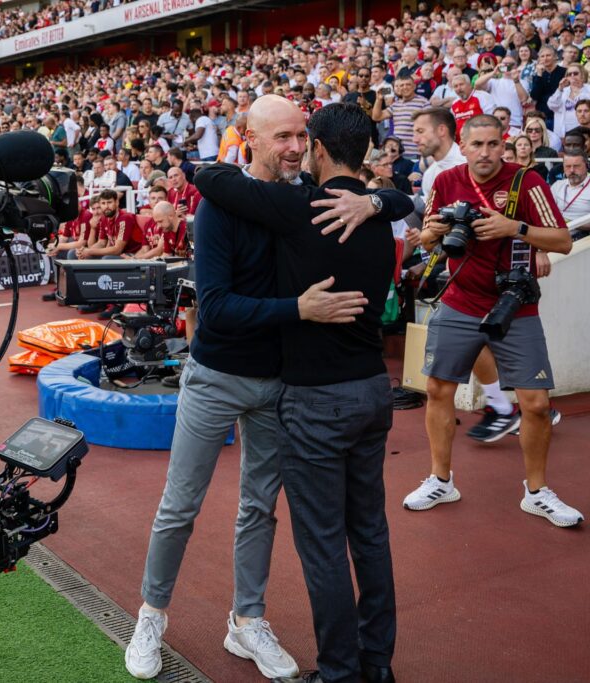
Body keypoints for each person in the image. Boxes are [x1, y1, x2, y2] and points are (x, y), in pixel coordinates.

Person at [124, 94, 412, 683]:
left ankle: (247, 619)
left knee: (260, 509)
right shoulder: (223, 204)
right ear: (248, 138)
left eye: (301, 136)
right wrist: (298, 309)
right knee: (180, 506)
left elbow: (399, 199)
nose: (294, 147)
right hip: (218, 376)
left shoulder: (306, 199)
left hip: (283, 383)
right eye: (280, 136)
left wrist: (377, 198)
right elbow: (219, 307)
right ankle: (151, 614)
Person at [195, 101, 398, 683]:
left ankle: (338, 672)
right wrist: (379, 196)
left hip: (316, 400)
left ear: (320, 149)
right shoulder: (381, 216)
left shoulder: (298, 206)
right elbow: (403, 200)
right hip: (372, 391)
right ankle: (377, 664)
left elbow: (210, 177)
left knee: (324, 545)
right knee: (371, 534)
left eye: (304, 140)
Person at [403, 114, 583, 528]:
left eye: (492, 144)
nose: (485, 153)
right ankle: (440, 480)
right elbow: (430, 238)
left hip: (513, 303)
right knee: (437, 388)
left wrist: (514, 228)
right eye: (476, 145)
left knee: (536, 404)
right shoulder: (446, 181)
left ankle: (536, 492)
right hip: (460, 299)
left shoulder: (527, 181)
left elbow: (563, 239)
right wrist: (441, 229)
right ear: (462, 146)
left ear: (504, 145)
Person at [371, 71, 430, 159]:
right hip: (397, 154)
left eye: (408, 84)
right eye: (401, 85)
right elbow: (376, 117)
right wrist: (379, 100)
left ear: (414, 86)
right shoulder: (396, 105)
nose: (404, 87)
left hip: (415, 153)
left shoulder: (424, 102)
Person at [413, 107, 467, 199]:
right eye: (414, 133)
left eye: (420, 131)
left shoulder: (467, 166)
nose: (415, 140)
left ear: (441, 130)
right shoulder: (429, 174)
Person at [547, 62, 590, 137]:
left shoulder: (588, 89)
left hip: (585, 132)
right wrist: (559, 89)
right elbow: (552, 105)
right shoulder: (563, 91)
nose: (572, 76)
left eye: (575, 73)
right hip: (563, 133)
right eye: (569, 74)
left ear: (582, 75)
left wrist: (578, 91)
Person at [550, 150, 590, 222]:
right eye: (568, 166)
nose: (572, 170)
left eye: (576, 166)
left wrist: (568, 222)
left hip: (582, 232)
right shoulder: (557, 185)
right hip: (555, 230)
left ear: (587, 166)